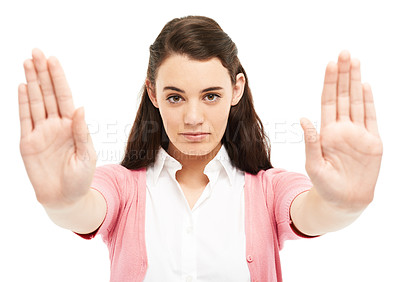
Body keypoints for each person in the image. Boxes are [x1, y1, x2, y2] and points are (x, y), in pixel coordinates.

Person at [18, 15, 383, 282]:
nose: (193, 118)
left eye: (211, 95)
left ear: (236, 89)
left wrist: (342, 204)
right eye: (175, 97)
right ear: (152, 93)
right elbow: (84, 209)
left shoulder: (268, 189)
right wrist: (62, 201)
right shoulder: (122, 186)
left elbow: (313, 211)